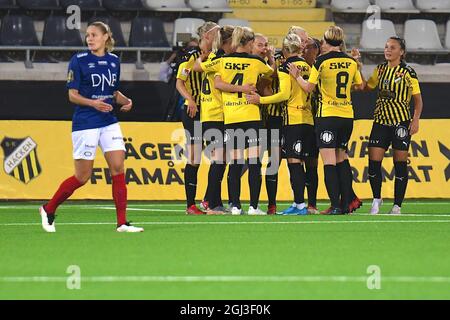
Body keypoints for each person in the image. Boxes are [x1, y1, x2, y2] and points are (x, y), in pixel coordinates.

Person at [39, 22, 143, 233]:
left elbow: (113, 92)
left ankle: (122, 223)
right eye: (87, 35)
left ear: (106, 37)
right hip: (85, 122)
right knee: (82, 177)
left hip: (109, 121)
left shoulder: (114, 61)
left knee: (118, 168)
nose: (89, 38)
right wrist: (94, 103)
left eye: (94, 35)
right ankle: (48, 208)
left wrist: (126, 100)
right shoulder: (78, 61)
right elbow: (72, 95)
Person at [289, 26, 365, 215]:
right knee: (342, 158)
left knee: (329, 162)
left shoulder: (321, 61)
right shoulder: (350, 61)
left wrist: (297, 76)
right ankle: (347, 202)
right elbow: (360, 85)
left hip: (327, 116)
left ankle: (335, 206)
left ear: (326, 41)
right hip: (347, 115)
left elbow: (308, 88)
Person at [247, 33, 314, 215]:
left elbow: (284, 94)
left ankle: (299, 205)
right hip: (307, 117)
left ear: (284, 50)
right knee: (298, 162)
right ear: (300, 48)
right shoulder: (307, 66)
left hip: (292, 119)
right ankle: (299, 203)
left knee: (293, 162)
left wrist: (260, 100)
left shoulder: (286, 66)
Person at [213, 26, 274, 215]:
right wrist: (270, 59)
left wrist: (236, 88)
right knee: (255, 163)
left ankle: (235, 206)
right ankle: (254, 206)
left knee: (236, 163)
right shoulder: (256, 62)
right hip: (251, 115)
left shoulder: (223, 61)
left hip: (231, 117)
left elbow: (217, 83)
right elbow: (271, 73)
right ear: (248, 43)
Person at [359, 37, 423, 215]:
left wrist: (415, 119)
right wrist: (358, 68)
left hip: (400, 124)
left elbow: (418, 101)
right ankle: (376, 199)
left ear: (401, 52)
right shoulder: (379, 70)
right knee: (373, 164)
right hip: (380, 122)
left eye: (392, 47)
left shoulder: (409, 72)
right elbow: (366, 87)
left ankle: (397, 205)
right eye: (386, 47)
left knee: (400, 164)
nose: (387, 50)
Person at [176, 22, 218, 215]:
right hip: (194, 111)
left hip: (213, 112)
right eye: (216, 33)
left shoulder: (218, 56)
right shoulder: (191, 56)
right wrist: (190, 99)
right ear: (207, 36)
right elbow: (179, 83)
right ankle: (190, 205)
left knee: (220, 157)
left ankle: (209, 200)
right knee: (194, 158)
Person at [193, 25, 236, 214]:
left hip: (211, 114)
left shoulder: (213, 58)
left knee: (221, 159)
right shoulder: (221, 60)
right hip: (217, 115)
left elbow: (196, 67)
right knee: (219, 159)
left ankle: (214, 201)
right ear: (227, 42)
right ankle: (212, 204)